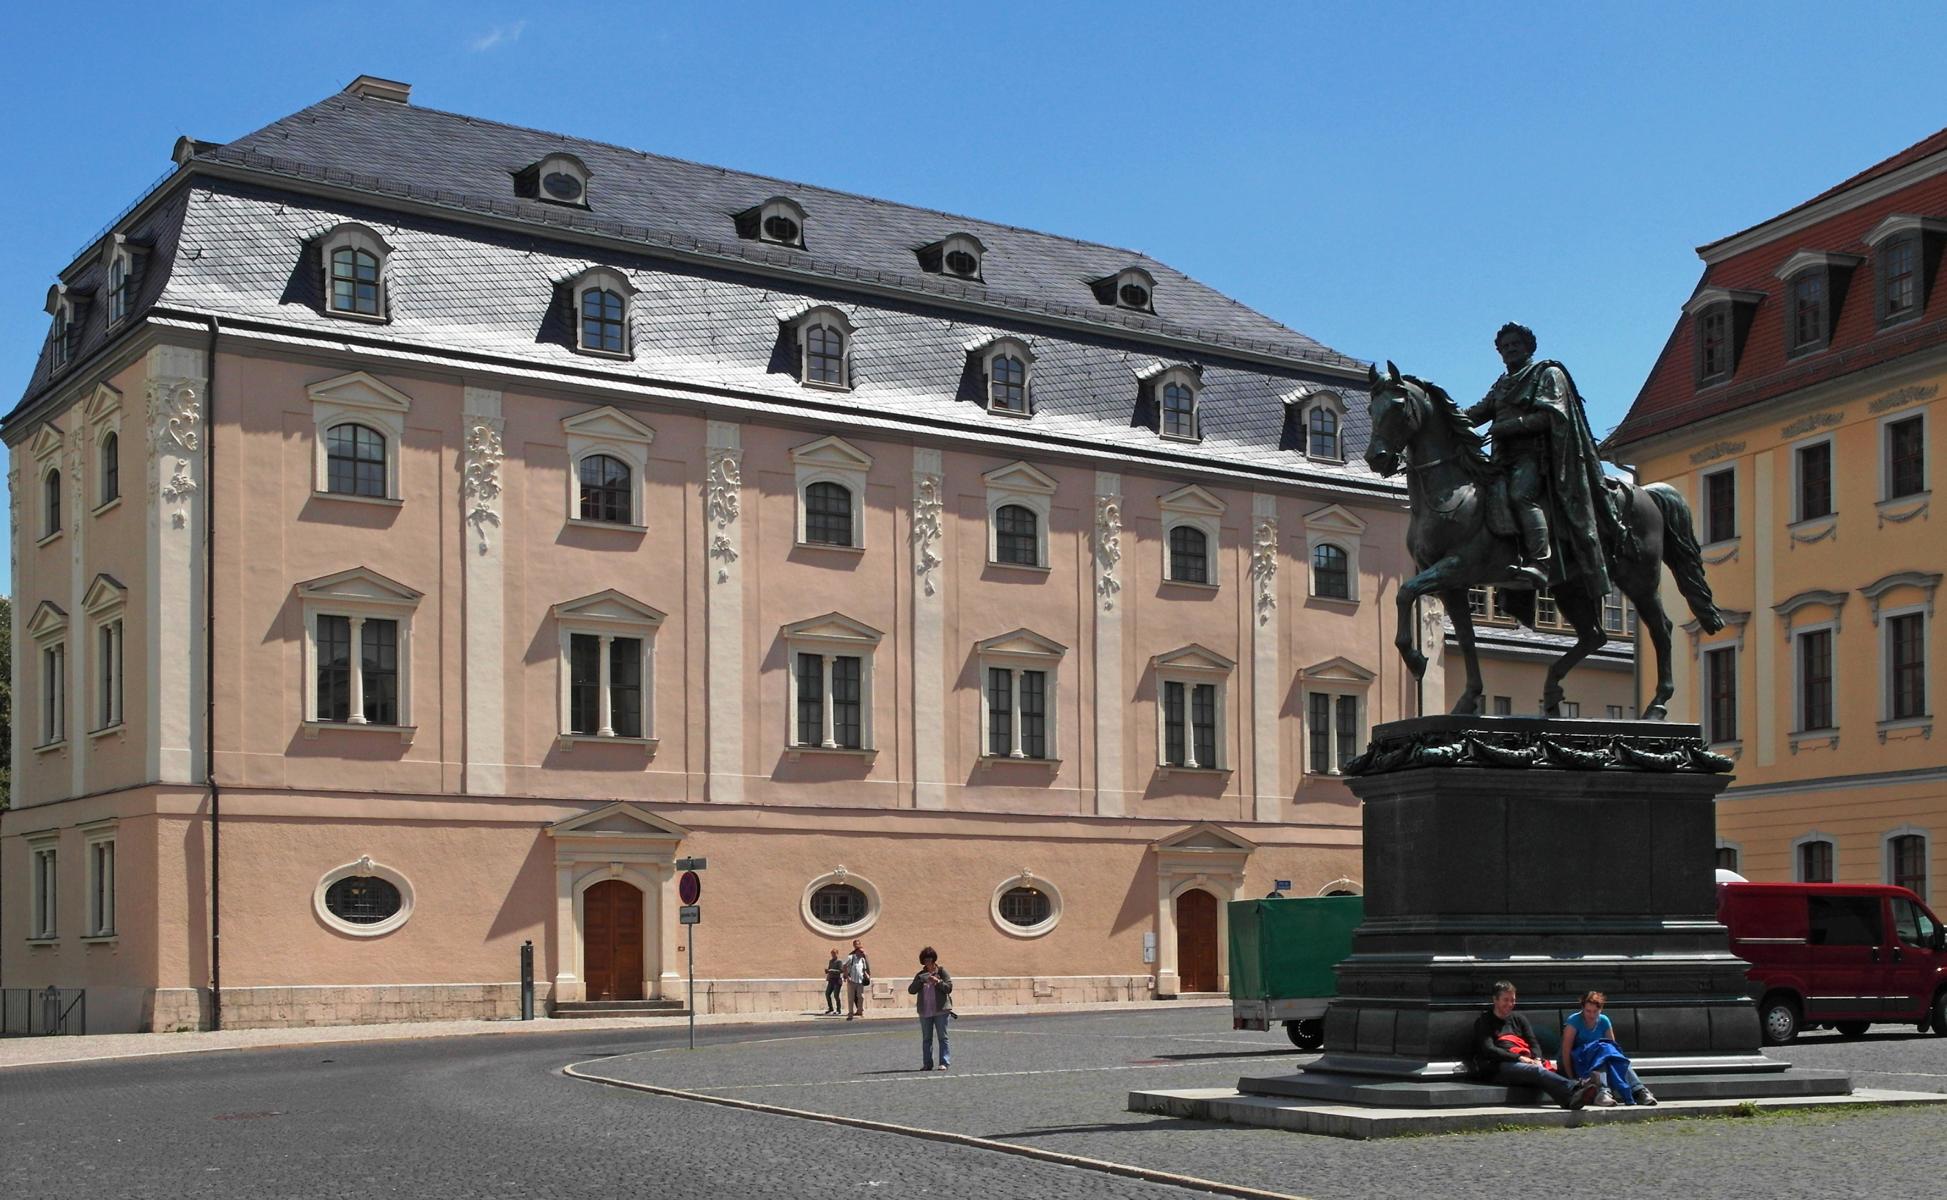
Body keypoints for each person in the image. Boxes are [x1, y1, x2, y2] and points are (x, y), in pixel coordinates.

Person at [1463, 322, 1622, 593]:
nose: (1510, 349)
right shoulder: (1502, 384)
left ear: (1528, 347)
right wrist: (1443, 420)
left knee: (1521, 496)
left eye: (1516, 344)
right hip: (1503, 458)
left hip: (1539, 457)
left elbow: (1553, 415)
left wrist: (1511, 425)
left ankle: (1540, 562)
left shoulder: (1546, 374)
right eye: (1505, 346)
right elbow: (1478, 412)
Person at [1471, 981, 1600, 1110]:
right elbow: (1489, 1050)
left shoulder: (1519, 1019)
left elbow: (1533, 1043)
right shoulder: (1484, 1021)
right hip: (1498, 1067)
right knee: (1536, 1071)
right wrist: (1519, 1058)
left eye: (1513, 1000)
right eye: (1506, 1000)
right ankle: (1577, 1087)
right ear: (1495, 999)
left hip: (1526, 1062)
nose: (1510, 1004)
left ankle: (1571, 1099)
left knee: (1540, 1068)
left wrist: (1537, 1058)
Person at [1560, 991, 1657, 1106]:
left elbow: (1612, 1048)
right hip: (1583, 1061)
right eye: (1588, 1011)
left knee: (1611, 1055)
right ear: (1582, 1008)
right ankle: (1607, 1091)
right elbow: (1566, 1052)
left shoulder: (1604, 1020)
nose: (1591, 1015)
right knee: (1603, 1050)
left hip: (1601, 1058)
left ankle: (1638, 1090)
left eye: (1595, 1011)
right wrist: (1572, 1079)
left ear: (1601, 1009)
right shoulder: (1574, 1021)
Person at [907, 946, 954, 1071]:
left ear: (934, 960)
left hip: (941, 1010)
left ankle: (944, 1062)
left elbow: (949, 988)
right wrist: (921, 981)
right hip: (925, 1010)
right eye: (925, 960)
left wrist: (937, 981)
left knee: (942, 1037)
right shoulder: (920, 974)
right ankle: (927, 1064)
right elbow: (911, 990)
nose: (928, 962)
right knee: (926, 1038)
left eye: (930, 959)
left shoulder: (942, 972)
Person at [843, 939, 871, 1020]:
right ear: (857, 951)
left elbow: (865, 968)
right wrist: (846, 976)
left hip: (860, 981)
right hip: (852, 981)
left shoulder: (863, 958)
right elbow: (844, 965)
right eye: (861, 952)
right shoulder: (851, 956)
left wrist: (867, 975)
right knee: (851, 997)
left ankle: (860, 1011)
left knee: (861, 996)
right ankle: (850, 1013)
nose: (863, 953)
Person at [823, 947, 844, 1016]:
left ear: (837, 953)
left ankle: (838, 1009)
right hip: (831, 980)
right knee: (827, 994)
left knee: (836, 995)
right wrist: (827, 971)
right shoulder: (831, 961)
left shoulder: (839, 961)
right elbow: (829, 969)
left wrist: (831, 970)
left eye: (834, 953)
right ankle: (830, 1008)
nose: (833, 955)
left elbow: (841, 971)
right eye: (832, 954)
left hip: (837, 980)